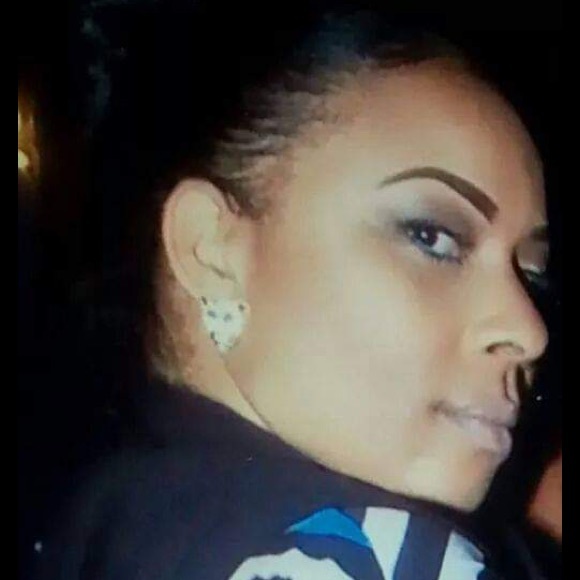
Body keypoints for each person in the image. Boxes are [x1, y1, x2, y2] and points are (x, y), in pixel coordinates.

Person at [32, 2, 555, 578]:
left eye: (532, 274)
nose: (529, 331)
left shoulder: (110, 508)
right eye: (431, 237)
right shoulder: (358, 557)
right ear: (211, 250)